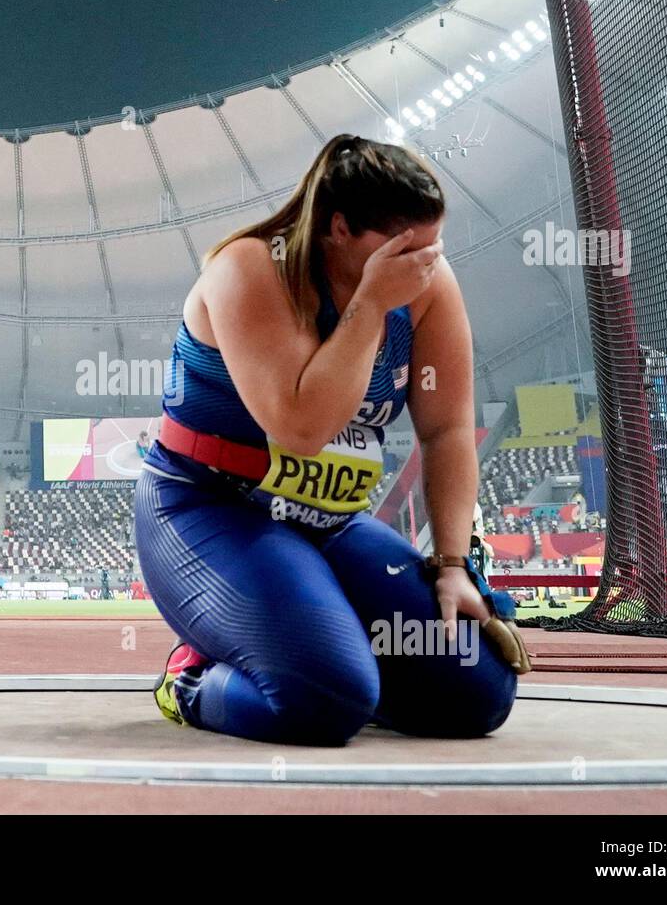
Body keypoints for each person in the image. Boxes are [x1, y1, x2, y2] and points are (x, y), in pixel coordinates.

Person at [134, 133, 528, 746]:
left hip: (329, 521)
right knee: (323, 698)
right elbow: (301, 429)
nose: (423, 265)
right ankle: (193, 679)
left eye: (432, 246)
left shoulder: (425, 282)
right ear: (339, 229)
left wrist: (452, 565)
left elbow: (447, 430)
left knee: (474, 693)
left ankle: (334, 662)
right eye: (402, 249)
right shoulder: (248, 269)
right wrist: (370, 307)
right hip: (210, 511)